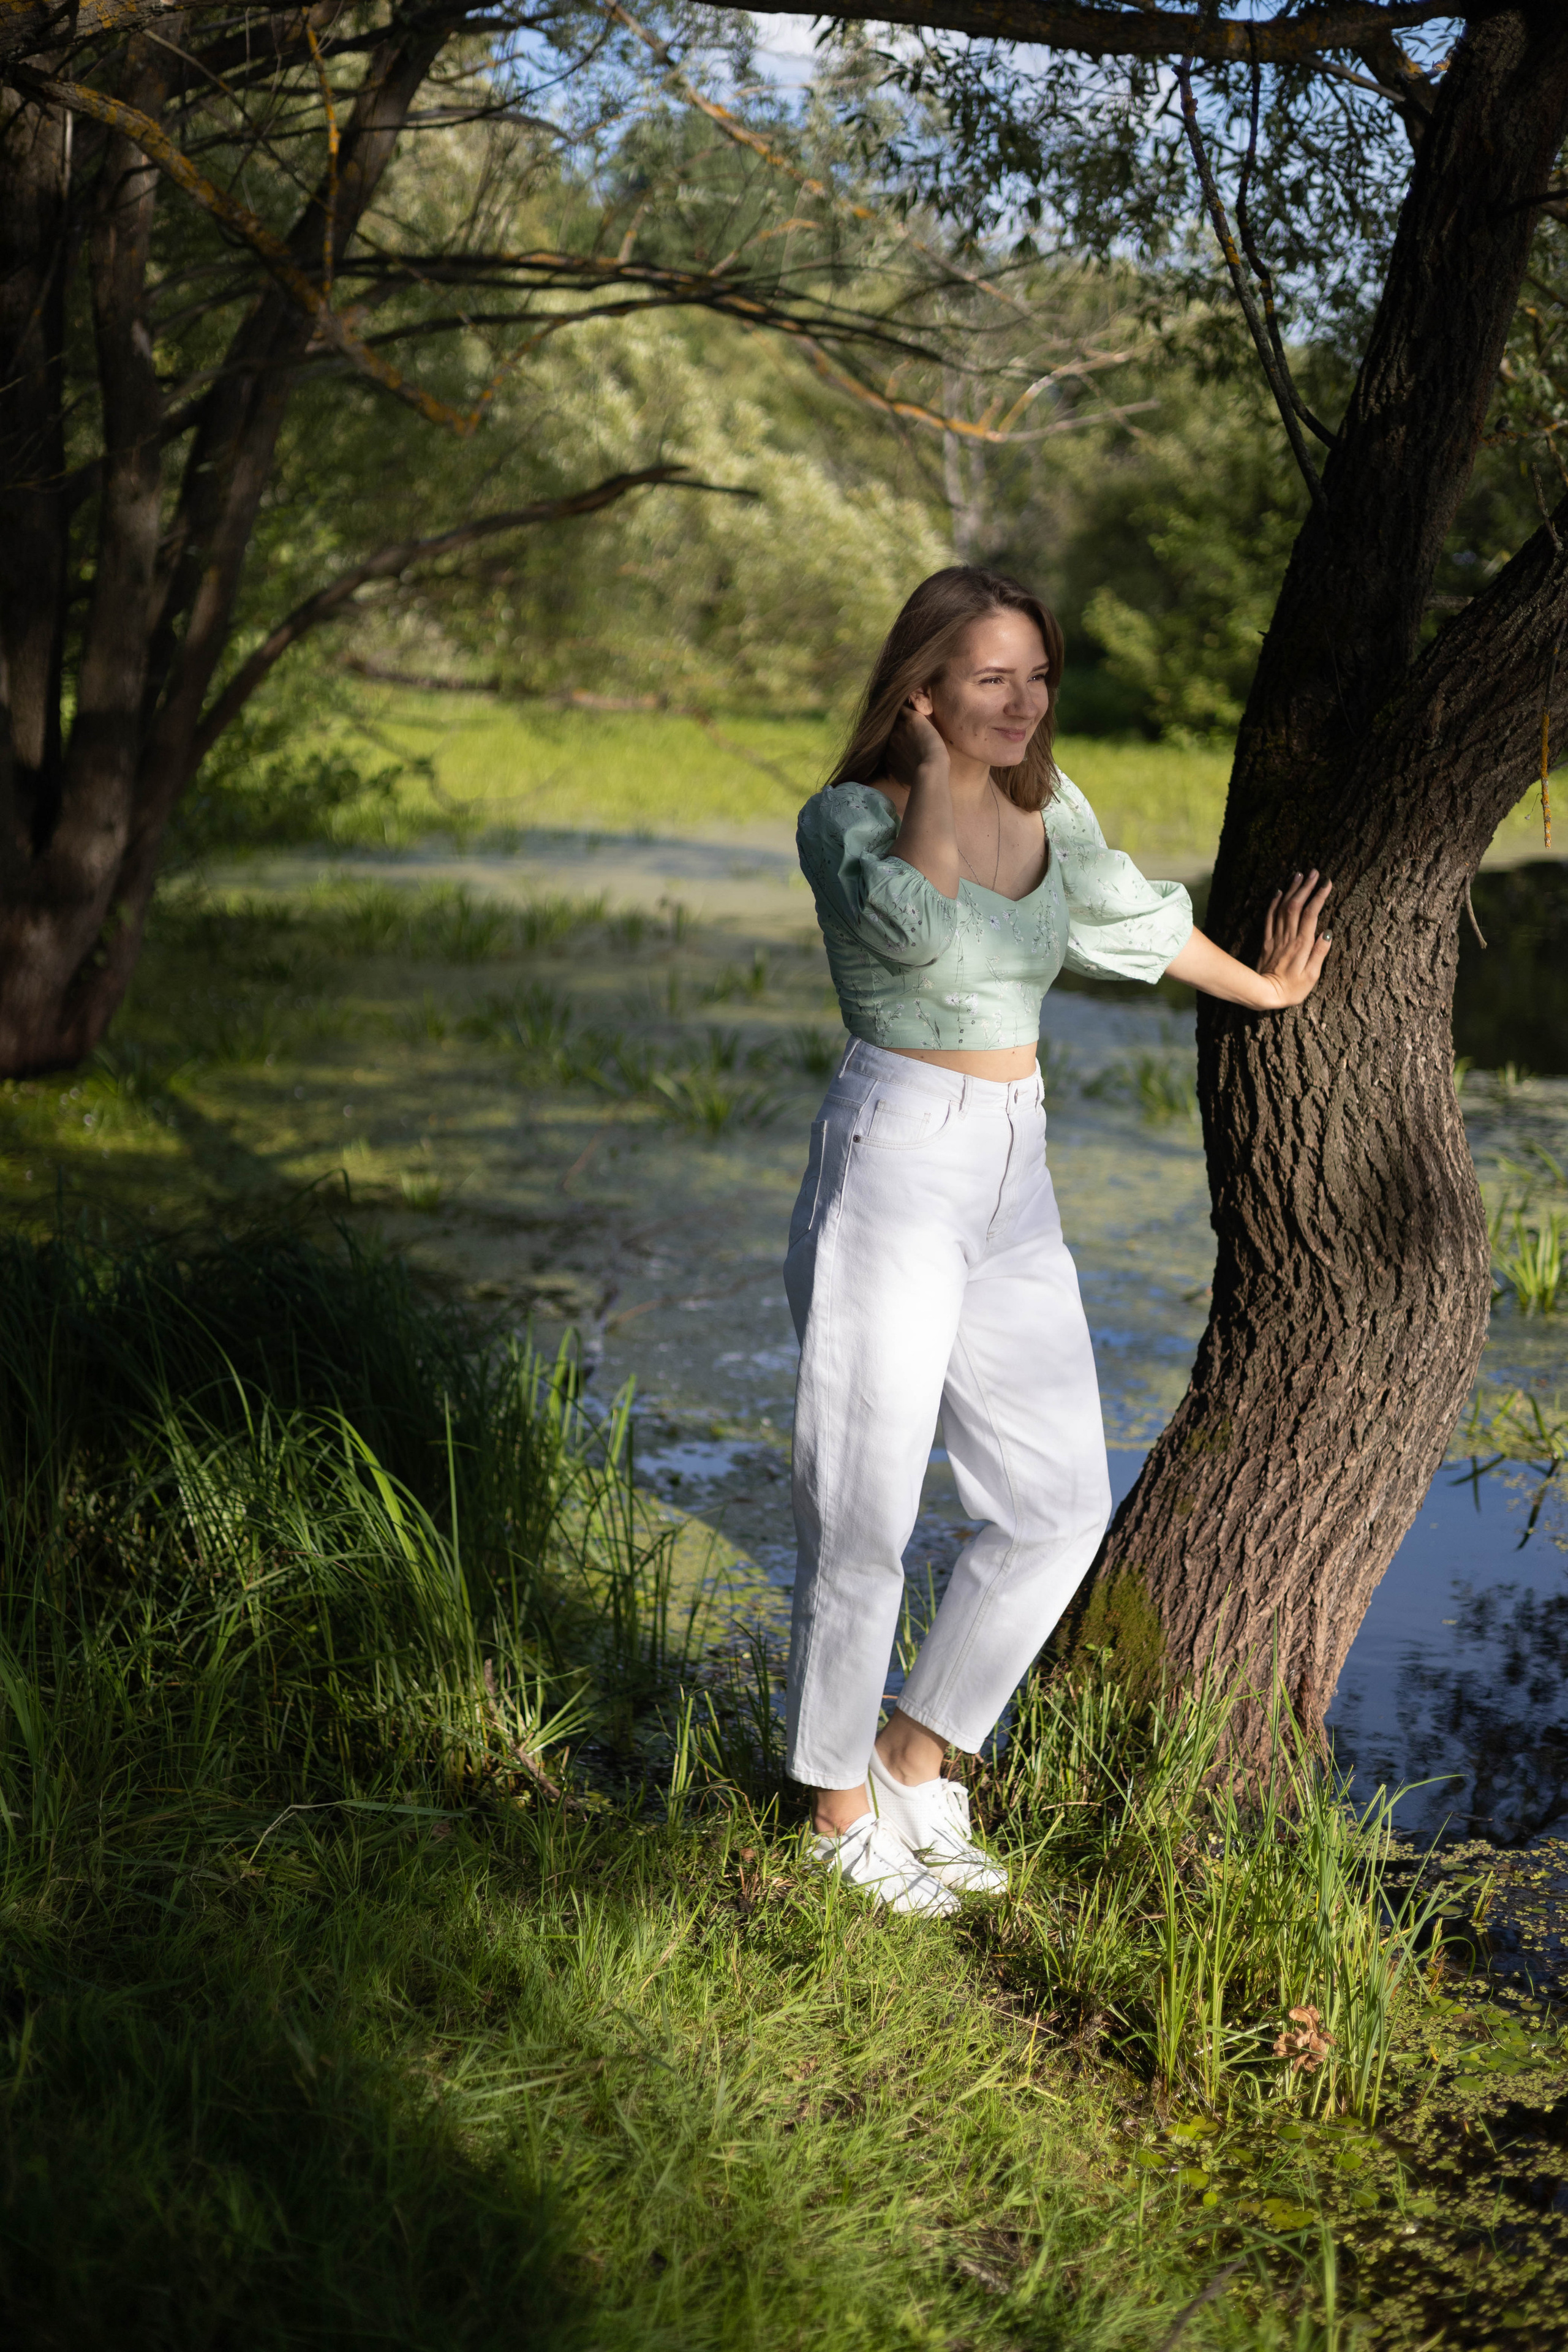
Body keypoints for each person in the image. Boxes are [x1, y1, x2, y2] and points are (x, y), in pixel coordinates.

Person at [785, 565, 1332, 1916]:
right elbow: (910, 938)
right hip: (894, 1156)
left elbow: (1129, 920)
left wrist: (1259, 983)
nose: (1023, 702)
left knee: (1052, 1504)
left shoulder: (1052, 806)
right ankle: (832, 1811)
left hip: (1013, 1161)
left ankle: (916, 1760)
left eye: (1035, 675)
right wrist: (926, 778)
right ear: (918, 692)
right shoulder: (849, 818)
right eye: (988, 678)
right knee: (861, 1505)